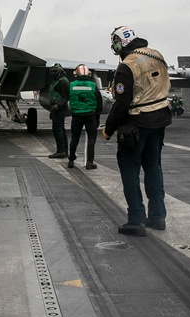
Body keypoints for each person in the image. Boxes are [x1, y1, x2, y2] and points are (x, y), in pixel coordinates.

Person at [101, 26, 173, 237]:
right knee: (153, 167)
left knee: (130, 172)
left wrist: (108, 129)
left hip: (136, 125)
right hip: (159, 121)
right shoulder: (156, 55)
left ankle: (136, 220)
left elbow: (121, 103)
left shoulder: (126, 66)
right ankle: (158, 217)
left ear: (119, 43)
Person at [67, 64, 103, 170]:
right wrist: (98, 117)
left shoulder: (71, 85)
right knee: (91, 139)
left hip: (77, 116)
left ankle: (71, 160)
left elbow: (66, 97)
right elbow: (99, 102)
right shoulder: (92, 85)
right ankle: (89, 162)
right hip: (90, 116)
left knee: (74, 138)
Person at [47, 64, 70, 159]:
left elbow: (65, 98)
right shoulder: (56, 81)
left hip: (60, 109)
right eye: (52, 72)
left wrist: (58, 106)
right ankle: (64, 151)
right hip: (56, 108)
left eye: (55, 72)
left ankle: (61, 151)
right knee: (61, 129)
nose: (53, 74)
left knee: (57, 130)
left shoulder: (63, 82)